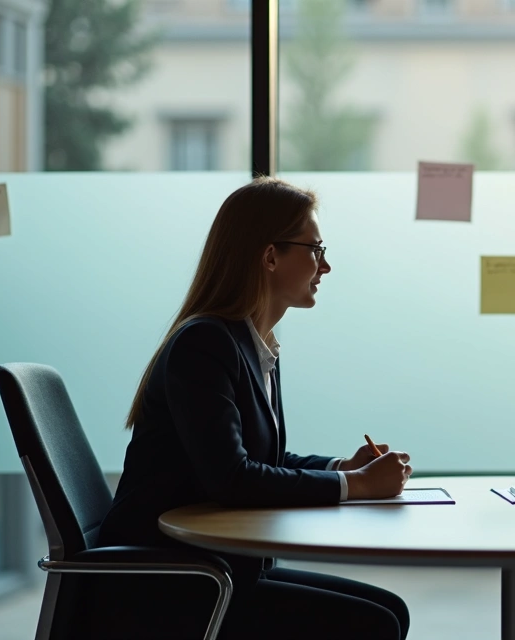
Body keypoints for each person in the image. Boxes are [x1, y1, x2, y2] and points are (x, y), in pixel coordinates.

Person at [91, 177, 412, 639]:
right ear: (270, 256)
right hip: (173, 582)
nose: (326, 266)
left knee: (389, 611)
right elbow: (233, 478)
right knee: (375, 623)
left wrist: (342, 466)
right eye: (316, 249)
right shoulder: (204, 344)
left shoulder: (251, 345)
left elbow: (260, 462)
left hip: (218, 569)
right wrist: (355, 485)